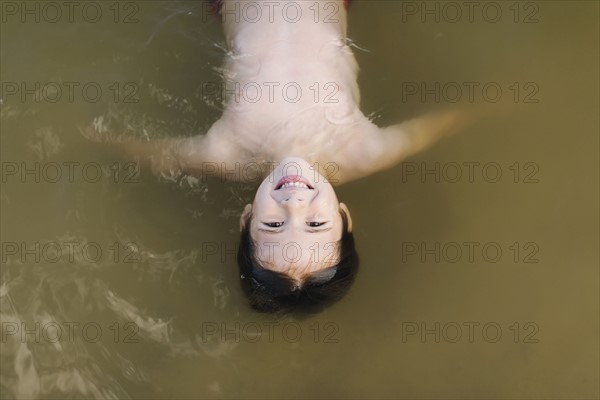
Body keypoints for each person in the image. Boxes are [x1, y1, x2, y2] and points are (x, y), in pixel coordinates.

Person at [85, 0, 472, 313]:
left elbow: (160, 155)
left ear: (247, 217)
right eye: (317, 223)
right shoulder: (364, 151)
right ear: (343, 217)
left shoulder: (226, 154)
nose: (295, 203)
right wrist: (494, 106)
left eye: (272, 224)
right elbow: (433, 128)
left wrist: (91, 139)